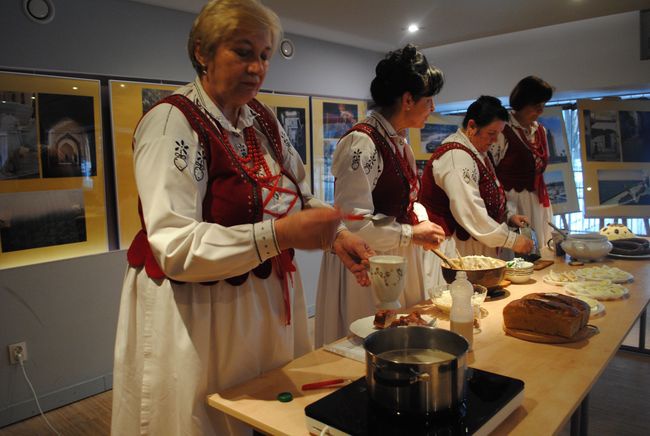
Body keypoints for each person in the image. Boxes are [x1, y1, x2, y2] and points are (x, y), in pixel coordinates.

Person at [110, 1, 373, 434]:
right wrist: (278, 234)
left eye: (265, 55)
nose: (257, 67)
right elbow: (175, 244)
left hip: (262, 300)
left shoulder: (263, 121)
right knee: (209, 416)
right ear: (202, 52)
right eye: (243, 52)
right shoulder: (172, 123)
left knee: (268, 408)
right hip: (202, 308)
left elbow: (297, 190)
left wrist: (336, 234)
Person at [315, 44, 447, 347]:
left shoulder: (397, 142)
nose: (433, 108)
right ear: (408, 100)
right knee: (370, 344)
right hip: (367, 263)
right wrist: (412, 233)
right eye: (429, 100)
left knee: (400, 341)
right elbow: (354, 224)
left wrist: (417, 224)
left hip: (392, 258)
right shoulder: (362, 144)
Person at [419, 95, 534, 261]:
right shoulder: (456, 156)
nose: (495, 140)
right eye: (491, 133)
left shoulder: (477, 152)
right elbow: (469, 211)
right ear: (472, 126)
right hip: (452, 249)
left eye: (498, 134)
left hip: (472, 245)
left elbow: (487, 195)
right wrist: (512, 240)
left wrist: (508, 216)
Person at [490, 76, 554, 249]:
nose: (540, 110)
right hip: (512, 200)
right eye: (536, 105)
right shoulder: (503, 131)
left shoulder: (540, 131)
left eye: (543, 104)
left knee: (541, 247)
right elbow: (491, 172)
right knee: (519, 252)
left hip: (537, 198)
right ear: (522, 102)